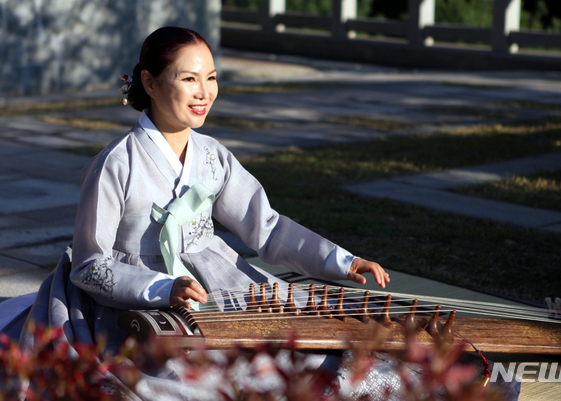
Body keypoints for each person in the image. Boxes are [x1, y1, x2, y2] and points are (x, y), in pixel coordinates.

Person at [0, 26, 396, 399]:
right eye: (189, 79)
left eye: (212, 77)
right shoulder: (116, 163)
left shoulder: (213, 156)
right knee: (180, 381)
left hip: (215, 282)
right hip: (128, 295)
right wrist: (160, 288)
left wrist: (342, 261)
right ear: (149, 82)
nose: (204, 92)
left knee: (298, 355)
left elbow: (268, 229)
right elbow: (88, 264)